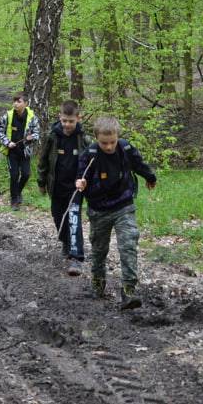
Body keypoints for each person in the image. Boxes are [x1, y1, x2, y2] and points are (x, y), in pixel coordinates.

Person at [76, 116, 157, 310]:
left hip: (124, 205)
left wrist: (150, 176)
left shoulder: (125, 148)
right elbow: (80, 178)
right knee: (99, 250)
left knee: (128, 244)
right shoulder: (90, 155)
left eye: (112, 141)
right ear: (96, 138)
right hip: (99, 210)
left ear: (117, 136)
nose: (110, 146)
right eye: (104, 143)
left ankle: (129, 291)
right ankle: (98, 284)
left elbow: (139, 164)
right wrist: (81, 183)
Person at [37, 101, 91, 276]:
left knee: (74, 218)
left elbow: (92, 163)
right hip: (56, 186)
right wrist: (41, 182)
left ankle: (77, 257)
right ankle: (66, 242)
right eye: (64, 121)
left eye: (71, 121)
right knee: (58, 216)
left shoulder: (83, 139)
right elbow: (43, 161)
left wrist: (87, 182)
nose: (67, 125)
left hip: (75, 189)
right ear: (60, 118)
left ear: (78, 118)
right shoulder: (53, 136)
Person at [0, 92, 40, 210]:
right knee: (14, 175)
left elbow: (37, 133)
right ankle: (14, 200)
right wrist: (7, 142)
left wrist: (32, 137)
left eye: (18, 101)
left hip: (25, 152)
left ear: (26, 103)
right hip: (11, 152)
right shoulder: (8, 116)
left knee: (26, 174)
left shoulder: (32, 117)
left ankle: (18, 191)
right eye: (14, 101)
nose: (15, 104)